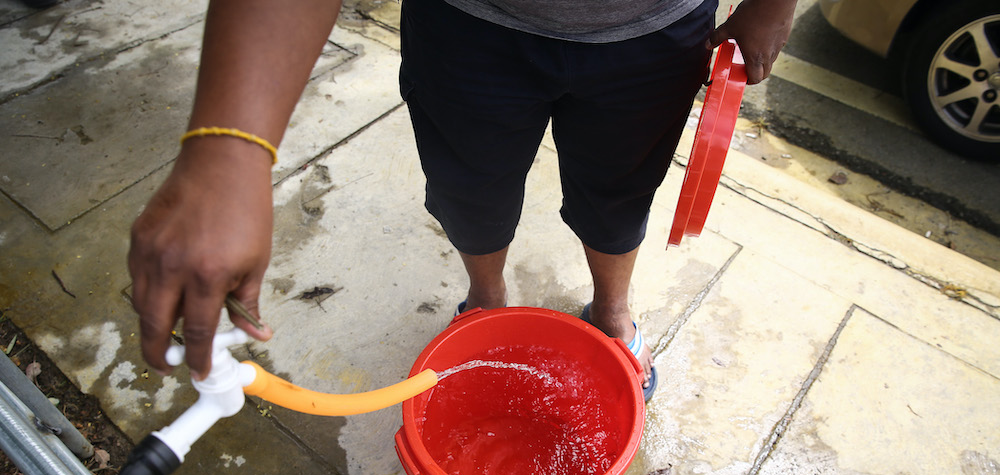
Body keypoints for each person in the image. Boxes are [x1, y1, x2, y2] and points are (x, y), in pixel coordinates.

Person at [128, 0, 797, 399]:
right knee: (468, 187)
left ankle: (613, 314)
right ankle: (484, 302)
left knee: (620, 191)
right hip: (466, 23)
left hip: (655, 28)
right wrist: (228, 147)